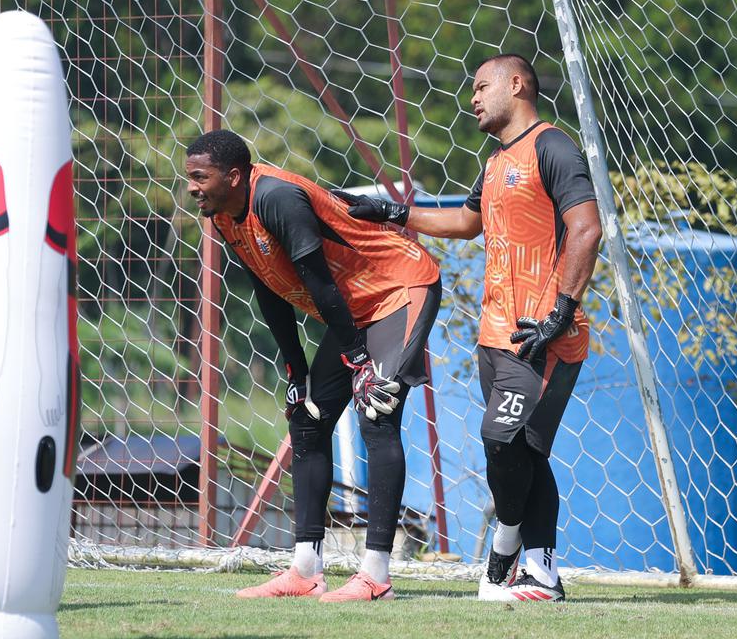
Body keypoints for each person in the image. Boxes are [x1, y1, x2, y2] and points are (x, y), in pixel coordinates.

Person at [339, 53, 602, 602]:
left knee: (500, 438)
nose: (473, 99)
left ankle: (506, 549)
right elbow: (466, 221)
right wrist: (391, 213)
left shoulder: (553, 147)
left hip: (540, 337)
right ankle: (543, 575)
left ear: (517, 83)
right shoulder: (495, 162)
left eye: (482, 87)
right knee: (522, 451)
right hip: (494, 334)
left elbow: (587, 228)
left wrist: (560, 310)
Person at [184, 130, 442, 602]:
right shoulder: (223, 216)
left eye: (200, 177)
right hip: (354, 312)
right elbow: (270, 289)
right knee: (306, 421)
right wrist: (295, 370)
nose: (192, 188)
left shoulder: (279, 199)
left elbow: (319, 283)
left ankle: (377, 576)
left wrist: (359, 361)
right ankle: (305, 569)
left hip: (398, 290)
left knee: (377, 415)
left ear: (234, 176)